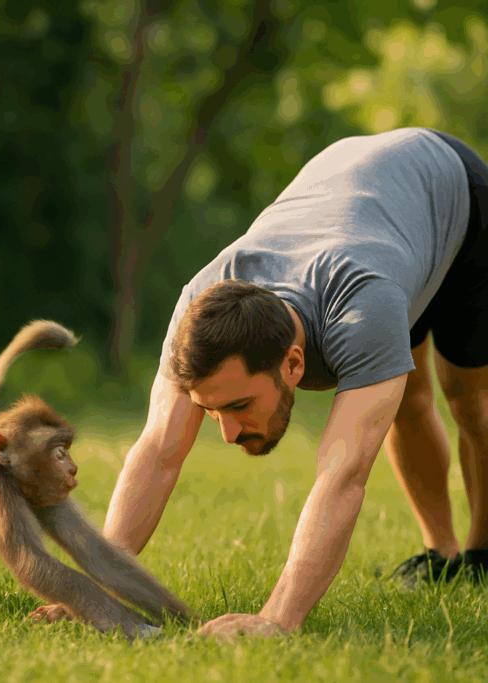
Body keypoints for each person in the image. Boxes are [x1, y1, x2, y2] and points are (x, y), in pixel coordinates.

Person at [101, 128, 488, 640]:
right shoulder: (201, 306)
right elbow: (158, 451)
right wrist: (97, 593)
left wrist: (277, 618)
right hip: (366, 206)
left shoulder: (361, 311)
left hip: (454, 197)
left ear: (294, 363)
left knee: (468, 399)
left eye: (238, 405)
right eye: (213, 411)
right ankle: (441, 554)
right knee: (406, 404)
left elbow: (343, 474)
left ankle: (481, 556)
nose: (228, 432)